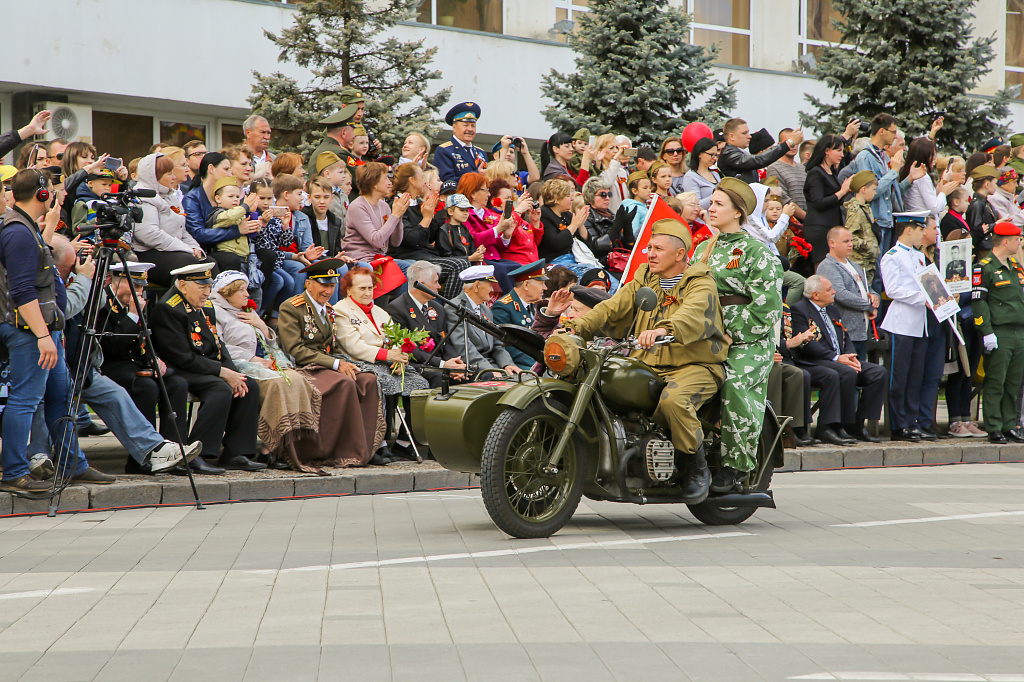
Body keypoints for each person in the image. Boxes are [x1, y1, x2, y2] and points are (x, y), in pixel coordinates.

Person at [566, 218, 728, 503]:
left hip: (695, 366)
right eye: (649, 247)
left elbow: (691, 313)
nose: (650, 253)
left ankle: (695, 466)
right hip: (647, 364)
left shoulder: (700, 282)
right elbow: (611, 307)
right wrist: (576, 327)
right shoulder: (645, 278)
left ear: (680, 254)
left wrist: (664, 329)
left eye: (658, 248)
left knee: (674, 401)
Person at [0, 169, 114, 495]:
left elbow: (35, 258)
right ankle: (14, 473)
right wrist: (42, 336)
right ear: (41, 194)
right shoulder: (18, 232)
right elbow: (22, 292)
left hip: (41, 329)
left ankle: (72, 464)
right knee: (25, 400)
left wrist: (50, 225)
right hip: (29, 331)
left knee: (60, 396)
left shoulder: (25, 228)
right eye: (49, 190)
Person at [691, 178, 782, 492]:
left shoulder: (757, 252)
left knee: (734, 386)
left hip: (748, 342)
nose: (710, 208)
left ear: (738, 212)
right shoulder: (704, 248)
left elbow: (768, 308)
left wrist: (732, 333)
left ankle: (736, 468)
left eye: (718, 204)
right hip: (705, 337)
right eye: (711, 202)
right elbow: (683, 293)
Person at [150, 263, 265, 473]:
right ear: (183, 285)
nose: (207, 292)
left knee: (248, 386)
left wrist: (234, 373)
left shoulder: (206, 306)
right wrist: (222, 372)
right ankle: (197, 453)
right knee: (219, 389)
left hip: (201, 365)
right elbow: (181, 357)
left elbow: (218, 345)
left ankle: (236, 453)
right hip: (179, 370)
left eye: (209, 286)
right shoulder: (169, 308)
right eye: (201, 287)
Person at [97, 262, 201, 472]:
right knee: (146, 387)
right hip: (111, 365)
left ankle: (174, 452)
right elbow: (111, 346)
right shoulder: (103, 305)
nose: (139, 291)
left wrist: (153, 358)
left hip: (136, 363)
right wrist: (133, 315)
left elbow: (145, 338)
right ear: (114, 281)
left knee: (176, 384)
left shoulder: (137, 303)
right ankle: (142, 458)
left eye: (141, 287)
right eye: (134, 286)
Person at [334, 267, 428, 459]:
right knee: (386, 382)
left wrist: (400, 358)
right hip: (358, 361)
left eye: (370, 288)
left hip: (385, 361)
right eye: (362, 288)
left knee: (420, 384)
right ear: (348, 289)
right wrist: (388, 355)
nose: (368, 292)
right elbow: (353, 346)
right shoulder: (340, 310)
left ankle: (404, 440)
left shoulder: (380, 312)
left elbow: (396, 340)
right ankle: (378, 442)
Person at [790, 275, 886, 444]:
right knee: (845, 373)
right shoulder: (799, 310)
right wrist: (836, 358)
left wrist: (851, 355)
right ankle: (829, 426)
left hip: (840, 359)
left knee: (877, 372)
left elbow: (845, 336)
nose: (834, 292)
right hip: (814, 361)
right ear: (815, 295)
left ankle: (857, 425)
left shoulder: (832, 310)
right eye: (829, 289)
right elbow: (807, 345)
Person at [879, 213, 935, 441]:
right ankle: (898, 425)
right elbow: (892, 290)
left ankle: (912, 422)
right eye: (920, 229)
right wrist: (923, 299)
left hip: (919, 324)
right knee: (898, 378)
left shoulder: (918, 256)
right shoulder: (892, 256)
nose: (923, 233)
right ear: (908, 229)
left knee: (915, 378)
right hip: (901, 324)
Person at [972, 222, 1024, 443]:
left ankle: (1009, 425)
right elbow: (979, 302)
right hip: (999, 332)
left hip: (1018, 331)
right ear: (1005, 241)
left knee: (1013, 382)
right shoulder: (984, 267)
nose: (1019, 242)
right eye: (1017, 239)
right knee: (996, 381)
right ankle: (994, 425)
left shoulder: (1016, 266)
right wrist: (986, 331)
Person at [386, 261, 467, 388]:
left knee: (470, 374)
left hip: (439, 363)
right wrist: (443, 364)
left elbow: (445, 341)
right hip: (416, 364)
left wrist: (455, 363)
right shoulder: (397, 309)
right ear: (422, 285)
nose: (439, 286)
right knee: (438, 376)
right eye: (435, 282)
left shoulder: (437, 308)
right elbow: (410, 349)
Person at [851, 114, 916, 257]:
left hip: (888, 222)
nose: (895, 136)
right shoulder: (865, 157)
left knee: (885, 269)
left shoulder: (883, 156)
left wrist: (910, 178)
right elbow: (869, 192)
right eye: (892, 132)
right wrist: (893, 172)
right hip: (875, 222)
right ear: (881, 131)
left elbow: (891, 190)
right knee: (877, 273)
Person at [815, 227, 878, 361]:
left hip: (861, 332)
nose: (851, 244)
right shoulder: (828, 266)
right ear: (832, 243)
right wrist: (868, 306)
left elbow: (867, 288)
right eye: (845, 241)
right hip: (846, 333)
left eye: (851, 240)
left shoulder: (854, 265)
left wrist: (875, 297)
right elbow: (841, 294)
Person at [445, 265, 519, 377]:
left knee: (523, 379)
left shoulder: (485, 310)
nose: (492, 290)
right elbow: (463, 346)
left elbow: (497, 344)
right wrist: (489, 370)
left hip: (491, 364)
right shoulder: (454, 308)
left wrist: (507, 364)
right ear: (476, 286)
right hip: (472, 367)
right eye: (489, 285)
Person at [803, 135, 854, 266]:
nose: (842, 155)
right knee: (822, 268)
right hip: (819, 229)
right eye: (838, 150)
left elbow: (833, 200)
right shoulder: (816, 173)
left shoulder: (831, 172)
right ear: (827, 151)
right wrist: (842, 191)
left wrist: (845, 192)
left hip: (831, 226)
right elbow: (819, 203)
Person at [342, 161, 407, 262]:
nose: (390, 183)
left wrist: (399, 216)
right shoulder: (357, 206)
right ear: (374, 183)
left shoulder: (384, 206)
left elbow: (395, 242)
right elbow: (376, 241)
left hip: (380, 258)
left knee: (413, 266)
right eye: (385, 178)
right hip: (360, 260)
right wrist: (395, 215)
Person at [492, 259, 547, 369]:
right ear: (526, 285)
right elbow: (507, 345)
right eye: (541, 283)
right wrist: (540, 363)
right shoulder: (503, 307)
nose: (545, 288)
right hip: (521, 365)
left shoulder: (534, 305)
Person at [718, 118, 803, 183]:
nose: (749, 136)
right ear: (732, 136)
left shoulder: (734, 152)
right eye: (744, 133)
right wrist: (789, 143)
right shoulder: (728, 153)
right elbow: (758, 160)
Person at [434, 102, 490, 193]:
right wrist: (476, 175)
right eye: (465, 125)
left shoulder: (480, 152)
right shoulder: (444, 150)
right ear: (454, 127)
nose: (470, 129)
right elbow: (447, 182)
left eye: (473, 126)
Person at [902, 137, 961, 223]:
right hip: (924, 224)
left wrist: (943, 182)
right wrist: (943, 193)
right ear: (925, 156)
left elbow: (928, 198)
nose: (934, 159)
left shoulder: (909, 172)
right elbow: (934, 207)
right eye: (932, 155)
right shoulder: (922, 176)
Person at [538, 178, 590, 263]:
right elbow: (557, 244)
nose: (572, 199)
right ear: (557, 199)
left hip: (575, 258)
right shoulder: (543, 215)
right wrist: (574, 225)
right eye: (568, 196)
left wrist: (580, 224)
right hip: (555, 262)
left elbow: (587, 244)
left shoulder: (567, 214)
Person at [843, 169, 881, 286]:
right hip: (860, 262)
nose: (875, 193)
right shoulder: (856, 210)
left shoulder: (865, 207)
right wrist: (867, 245)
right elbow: (849, 236)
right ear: (863, 189)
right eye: (873, 190)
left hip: (868, 262)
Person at [305, 103, 360, 180]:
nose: (354, 136)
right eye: (353, 131)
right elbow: (361, 180)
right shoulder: (339, 153)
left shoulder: (322, 148)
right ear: (343, 133)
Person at [766, 128, 808, 221]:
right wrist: (806, 217)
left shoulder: (802, 168)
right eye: (790, 142)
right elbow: (782, 198)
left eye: (795, 142)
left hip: (808, 222)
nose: (793, 146)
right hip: (789, 223)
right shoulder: (773, 168)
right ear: (779, 144)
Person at [965, 165, 1000, 257]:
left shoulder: (985, 202)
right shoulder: (977, 204)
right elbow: (977, 230)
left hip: (990, 246)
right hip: (983, 249)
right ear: (987, 184)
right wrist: (997, 224)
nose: (996, 187)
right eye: (995, 183)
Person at [682, 138, 721, 210]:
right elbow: (695, 206)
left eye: (716, 155)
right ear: (700, 154)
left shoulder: (715, 174)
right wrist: (716, 194)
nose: (714, 158)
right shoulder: (690, 177)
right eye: (711, 155)